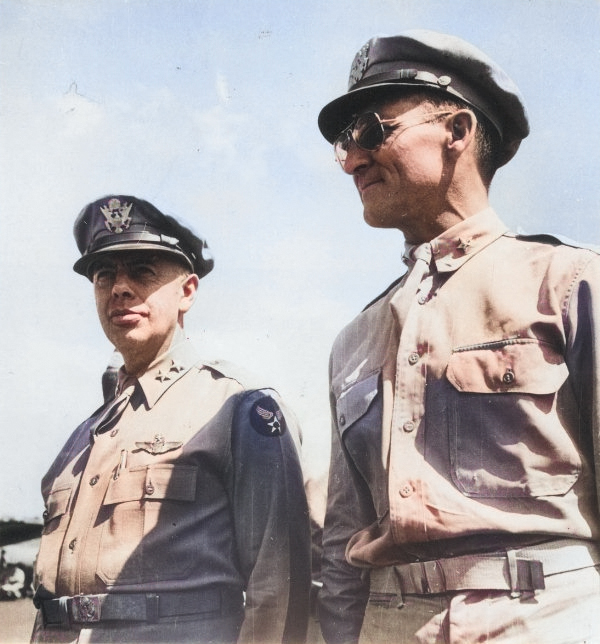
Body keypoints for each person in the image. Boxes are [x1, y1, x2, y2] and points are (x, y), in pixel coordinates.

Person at [316, 30, 600, 644]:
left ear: (459, 130)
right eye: (344, 142)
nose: (351, 158)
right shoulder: (354, 340)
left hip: (544, 621)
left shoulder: (568, 282)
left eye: (371, 129)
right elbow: (343, 543)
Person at [31, 195, 311, 643]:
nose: (119, 288)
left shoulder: (235, 406)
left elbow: (279, 584)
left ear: (187, 291)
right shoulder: (82, 439)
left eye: (142, 271)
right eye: (104, 275)